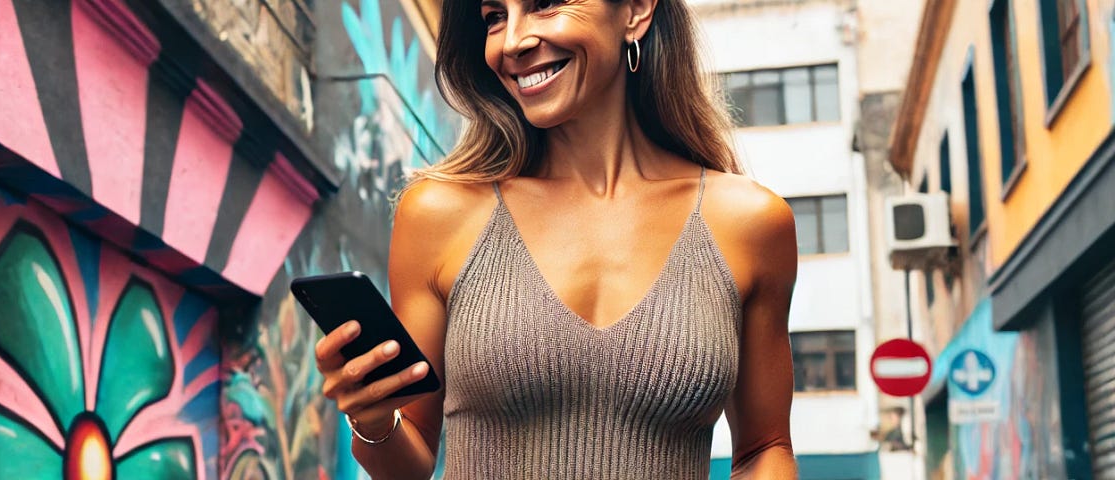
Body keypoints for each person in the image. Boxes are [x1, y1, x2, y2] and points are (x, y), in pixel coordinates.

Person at [313, 0, 799, 476]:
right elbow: (410, 461)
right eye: (495, 17)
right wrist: (373, 419)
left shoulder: (749, 223)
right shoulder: (440, 213)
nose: (513, 41)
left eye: (545, 4)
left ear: (635, 10)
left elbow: (765, 449)